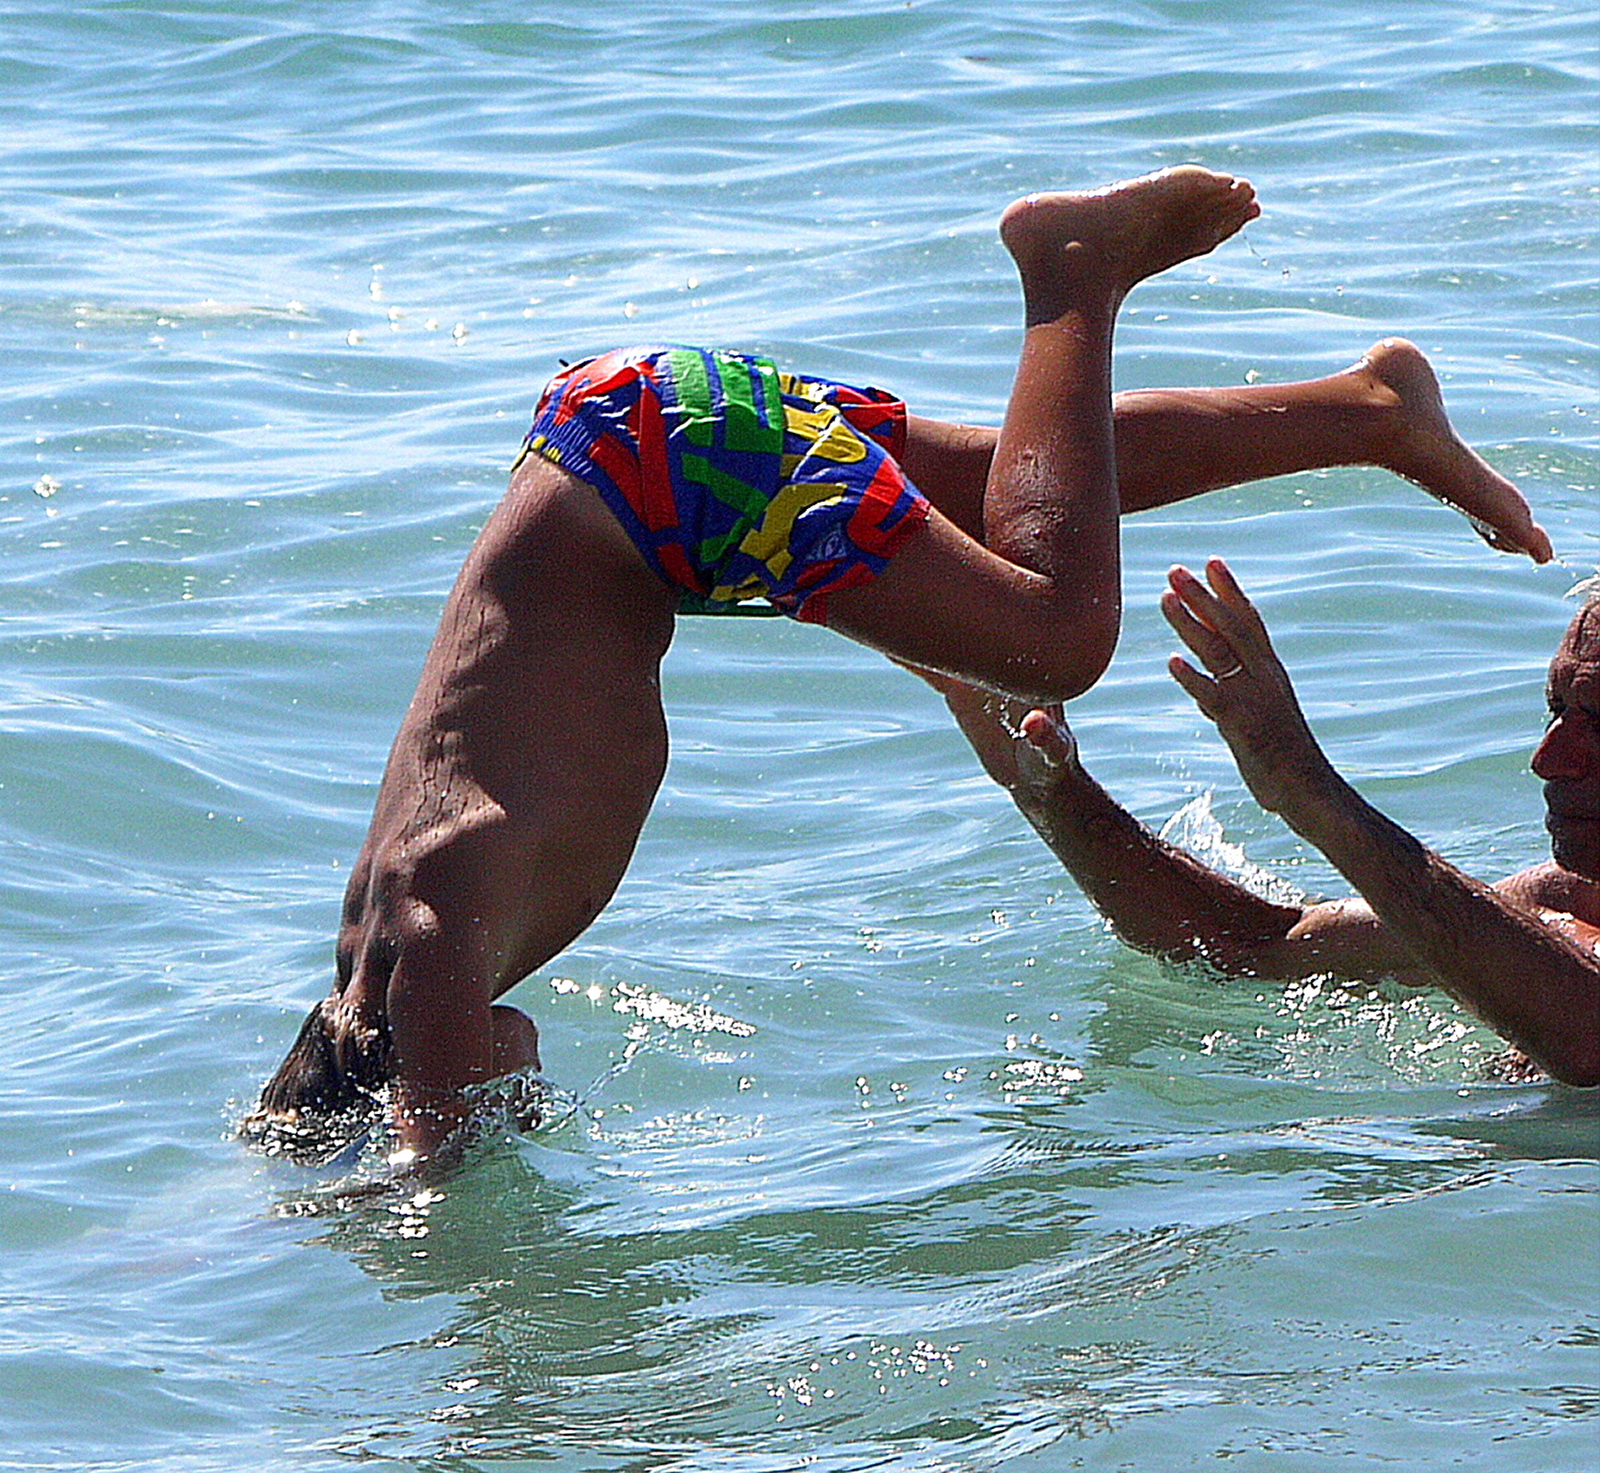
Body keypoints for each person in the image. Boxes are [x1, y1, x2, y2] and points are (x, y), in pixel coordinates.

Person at [243, 165, 1554, 1167]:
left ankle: (1074, 275)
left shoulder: (424, 933)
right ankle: (1367, 411)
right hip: (646, 470)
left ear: (389, 1067)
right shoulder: (417, 936)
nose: (509, 1088)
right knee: (1021, 494)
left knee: (1054, 634)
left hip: (659, 486)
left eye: (460, 1081)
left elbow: (436, 1155)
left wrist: (425, 1182)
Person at [934, 561, 1599, 1086]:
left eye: (1596, 717)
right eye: (1554, 708)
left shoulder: (1555, 960)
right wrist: (1054, 793)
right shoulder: (1557, 909)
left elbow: (1585, 1034)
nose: (1549, 758)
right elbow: (1253, 943)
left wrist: (1306, 787)